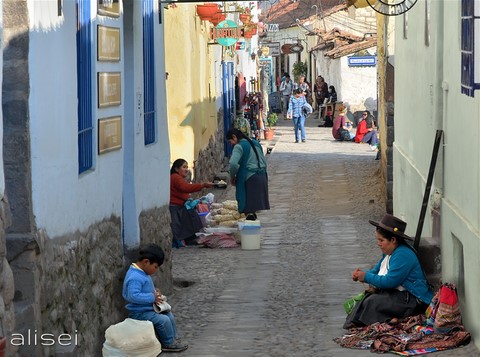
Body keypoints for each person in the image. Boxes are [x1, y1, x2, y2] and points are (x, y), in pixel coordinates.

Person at [343, 214, 433, 329]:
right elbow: (377, 271)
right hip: (398, 295)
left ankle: (390, 320)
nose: (378, 243)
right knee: (367, 298)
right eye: (378, 240)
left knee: (373, 302)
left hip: (411, 299)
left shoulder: (403, 255)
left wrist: (365, 277)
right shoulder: (389, 253)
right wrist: (361, 274)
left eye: (381, 240)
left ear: (393, 240)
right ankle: (357, 322)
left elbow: (390, 281)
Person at [122, 244, 189, 352]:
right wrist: (152, 297)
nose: (156, 270)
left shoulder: (142, 273)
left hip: (148, 309)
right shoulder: (135, 277)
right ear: (146, 262)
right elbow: (133, 296)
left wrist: (155, 293)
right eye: (155, 267)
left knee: (169, 315)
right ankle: (168, 344)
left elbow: (144, 290)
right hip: (139, 312)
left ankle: (173, 338)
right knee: (163, 320)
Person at [226, 128, 270, 220]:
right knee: (253, 210)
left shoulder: (239, 146)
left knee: (247, 208)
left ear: (234, 137)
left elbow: (233, 163)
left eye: (230, 142)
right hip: (262, 176)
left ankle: (250, 232)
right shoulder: (256, 143)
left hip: (249, 179)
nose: (231, 145)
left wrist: (232, 176)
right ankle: (253, 229)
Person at [170, 159, 214, 247]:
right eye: (184, 167)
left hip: (180, 205)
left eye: (187, 167)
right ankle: (187, 239)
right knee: (189, 218)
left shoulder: (177, 177)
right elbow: (185, 188)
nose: (186, 169)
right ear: (176, 169)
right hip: (176, 206)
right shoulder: (176, 177)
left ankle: (190, 238)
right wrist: (202, 185)